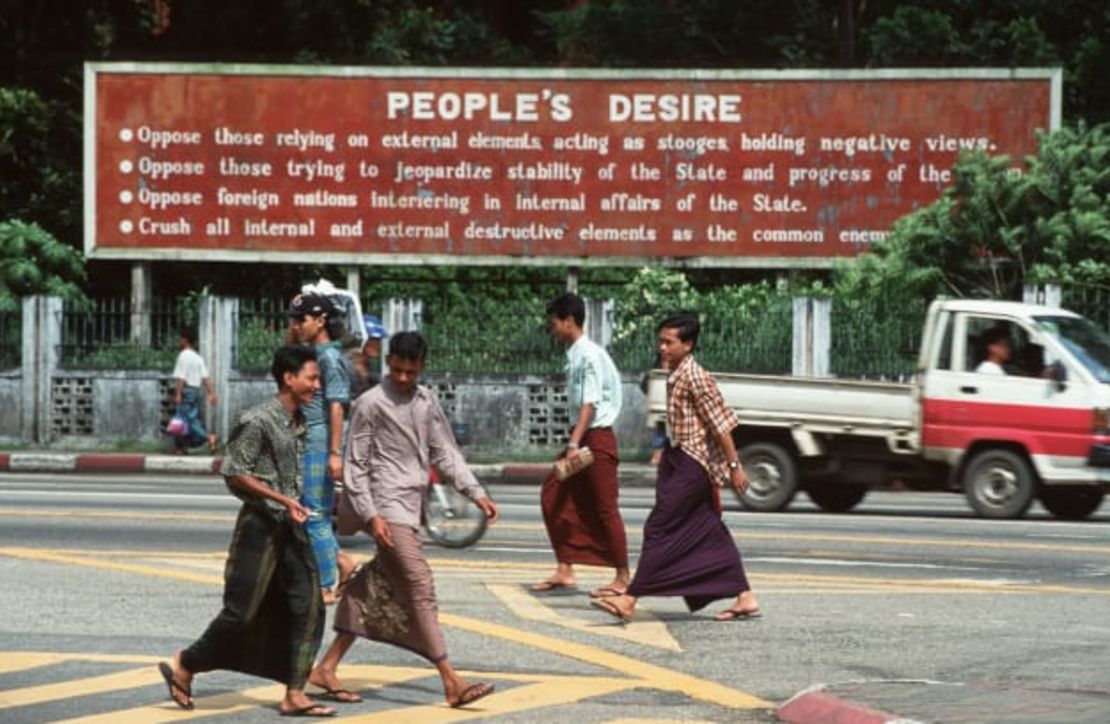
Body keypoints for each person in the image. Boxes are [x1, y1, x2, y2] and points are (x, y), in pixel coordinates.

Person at [309, 331, 500, 709]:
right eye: (396, 370)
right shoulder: (370, 403)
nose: (402, 378)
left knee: (374, 586)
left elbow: (445, 452)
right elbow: (357, 465)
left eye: (410, 372)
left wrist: (476, 492)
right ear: (389, 362)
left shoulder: (426, 402)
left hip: (410, 506)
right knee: (419, 585)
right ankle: (451, 679)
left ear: (421, 368)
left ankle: (325, 667)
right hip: (384, 507)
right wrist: (371, 514)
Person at [158, 345, 336, 717]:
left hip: (291, 528)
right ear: (289, 378)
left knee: (310, 607)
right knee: (240, 614)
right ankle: (186, 663)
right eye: (312, 377)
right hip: (260, 527)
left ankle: (295, 692)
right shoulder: (258, 420)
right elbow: (235, 472)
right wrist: (283, 500)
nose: (317, 385)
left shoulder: (298, 421)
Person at [592, 311, 762, 623]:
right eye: (661, 341)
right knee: (708, 527)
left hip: (693, 464)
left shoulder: (696, 377)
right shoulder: (676, 373)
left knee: (659, 527)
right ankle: (745, 595)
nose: (663, 347)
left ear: (688, 345)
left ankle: (630, 598)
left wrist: (734, 465)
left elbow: (721, 426)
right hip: (679, 458)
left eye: (669, 342)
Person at [532, 292, 631, 598]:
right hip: (584, 437)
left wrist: (574, 443)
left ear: (569, 322)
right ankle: (565, 568)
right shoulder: (576, 353)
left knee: (604, 508)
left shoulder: (587, 355)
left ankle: (623, 577)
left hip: (594, 440)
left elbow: (589, 403)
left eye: (555, 324)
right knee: (553, 493)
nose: (553, 330)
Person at [288, 293, 356, 605]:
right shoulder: (312, 354)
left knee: (314, 514)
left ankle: (327, 584)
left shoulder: (329, 358)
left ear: (321, 320)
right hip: (306, 439)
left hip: (319, 441)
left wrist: (334, 453)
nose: (297, 326)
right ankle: (341, 562)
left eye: (302, 320)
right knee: (304, 511)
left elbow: (337, 407)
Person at [171, 326, 217, 455]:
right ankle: (181, 448)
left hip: (186, 390)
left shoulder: (183, 356)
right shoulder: (198, 358)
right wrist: (211, 393)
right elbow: (206, 378)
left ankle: (208, 438)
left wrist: (178, 394)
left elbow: (181, 378)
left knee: (187, 421)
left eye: (180, 339)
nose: (178, 341)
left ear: (185, 340)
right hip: (195, 391)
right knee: (183, 420)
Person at [347, 315, 389, 399]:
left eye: (379, 340)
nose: (378, 345)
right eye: (373, 340)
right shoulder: (346, 366)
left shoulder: (370, 366)